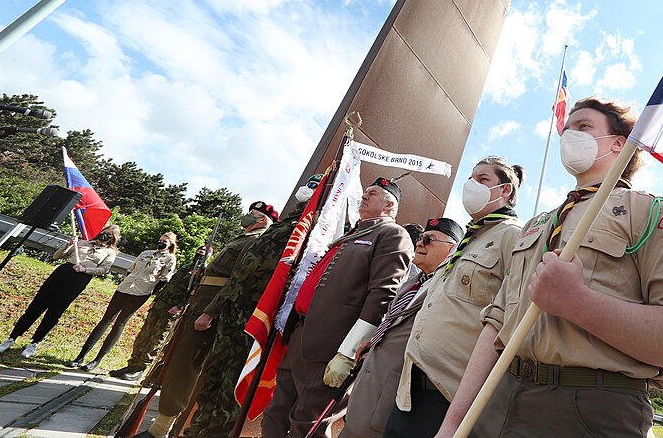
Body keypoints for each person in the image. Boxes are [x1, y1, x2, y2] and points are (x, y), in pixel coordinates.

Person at [436, 98, 663, 437]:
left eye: (583, 126)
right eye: (567, 129)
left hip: (590, 411)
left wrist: (579, 303)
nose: (570, 134)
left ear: (619, 142)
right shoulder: (536, 225)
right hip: (500, 400)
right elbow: (496, 325)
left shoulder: (651, 212)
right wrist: (452, 423)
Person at [262, 178, 413, 438]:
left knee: (307, 425)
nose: (364, 196)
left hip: (331, 348)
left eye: (373, 193)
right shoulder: (353, 233)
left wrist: (348, 352)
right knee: (274, 414)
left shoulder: (392, 234)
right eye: (365, 192)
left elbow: (383, 295)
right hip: (301, 337)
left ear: (390, 204)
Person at [387, 157, 525, 438]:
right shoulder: (467, 241)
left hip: (449, 393)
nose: (472, 185)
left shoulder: (513, 237)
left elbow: (511, 318)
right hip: (411, 385)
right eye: (471, 178)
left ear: (505, 190)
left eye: (483, 179)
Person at [183, 175, 325, 438]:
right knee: (214, 376)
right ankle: (197, 429)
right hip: (233, 312)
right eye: (310, 186)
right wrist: (217, 308)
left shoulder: (313, 233)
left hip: (256, 317)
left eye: (317, 188)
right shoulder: (284, 225)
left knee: (232, 383)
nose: (308, 192)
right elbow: (239, 274)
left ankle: (214, 433)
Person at [134, 201, 278, 438]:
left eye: (252, 214)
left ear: (262, 220)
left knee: (187, 362)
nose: (246, 217)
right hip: (202, 300)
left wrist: (210, 310)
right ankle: (163, 422)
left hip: (213, 306)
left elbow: (235, 280)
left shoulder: (255, 241)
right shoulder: (243, 239)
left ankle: (161, 428)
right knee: (180, 358)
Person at [339, 218, 463, 438]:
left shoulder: (447, 289)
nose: (420, 243)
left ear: (451, 249)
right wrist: (374, 341)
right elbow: (395, 321)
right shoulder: (414, 281)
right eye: (421, 237)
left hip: (392, 394)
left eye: (429, 239)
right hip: (369, 382)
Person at [0, 225, 120, 358]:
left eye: (109, 235)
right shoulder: (82, 242)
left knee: (55, 310)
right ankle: (12, 337)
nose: (104, 236)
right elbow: (57, 256)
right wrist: (68, 245)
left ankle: (35, 342)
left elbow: (104, 270)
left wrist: (85, 270)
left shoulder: (110, 252)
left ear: (113, 239)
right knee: (37, 305)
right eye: (104, 232)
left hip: (79, 279)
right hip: (63, 272)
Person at [69, 232, 178, 371]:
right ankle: (81, 356)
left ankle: (97, 360)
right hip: (125, 287)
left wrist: (150, 292)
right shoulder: (146, 253)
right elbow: (130, 269)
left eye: (165, 241)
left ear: (171, 244)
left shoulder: (170, 258)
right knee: (106, 320)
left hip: (141, 292)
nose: (161, 242)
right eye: (160, 239)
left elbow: (163, 280)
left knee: (120, 323)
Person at [107, 254, 206, 382]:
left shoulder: (202, 272)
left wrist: (180, 307)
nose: (200, 254)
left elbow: (194, 293)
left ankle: (140, 369)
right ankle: (132, 365)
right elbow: (169, 285)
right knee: (143, 336)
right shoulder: (185, 268)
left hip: (172, 310)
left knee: (155, 340)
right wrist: (157, 299)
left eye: (204, 253)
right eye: (199, 251)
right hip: (160, 305)